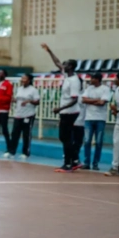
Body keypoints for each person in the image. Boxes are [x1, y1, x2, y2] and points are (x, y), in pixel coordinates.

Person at [41, 44, 82, 172]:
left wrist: (60, 108)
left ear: (71, 67)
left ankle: (68, 163)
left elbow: (75, 99)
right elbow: (57, 62)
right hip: (66, 111)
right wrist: (50, 51)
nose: (63, 65)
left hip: (69, 112)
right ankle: (74, 160)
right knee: (65, 137)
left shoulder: (74, 81)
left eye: (66, 64)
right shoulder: (67, 75)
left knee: (65, 138)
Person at [81, 72, 112, 170]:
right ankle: (86, 162)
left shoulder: (105, 89)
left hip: (100, 119)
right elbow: (84, 100)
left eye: (92, 78)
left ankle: (95, 163)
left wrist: (90, 100)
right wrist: (96, 100)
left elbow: (102, 102)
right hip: (88, 118)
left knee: (99, 142)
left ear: (97, 79)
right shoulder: (89, 88)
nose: (90, 80)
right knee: (87, 141)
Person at [6, 73, 40, 159]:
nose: (22, 80)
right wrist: (14, 100)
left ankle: (26, 152)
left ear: (29, 80)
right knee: (14, 134)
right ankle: (12, 151)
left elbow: (37, 102)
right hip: (18, 114)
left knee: (26, 135)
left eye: (24, 78)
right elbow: (18, 99)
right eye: (22, 78)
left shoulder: (33, 90)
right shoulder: (19, 89)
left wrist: (29, 101)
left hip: (28, 115)